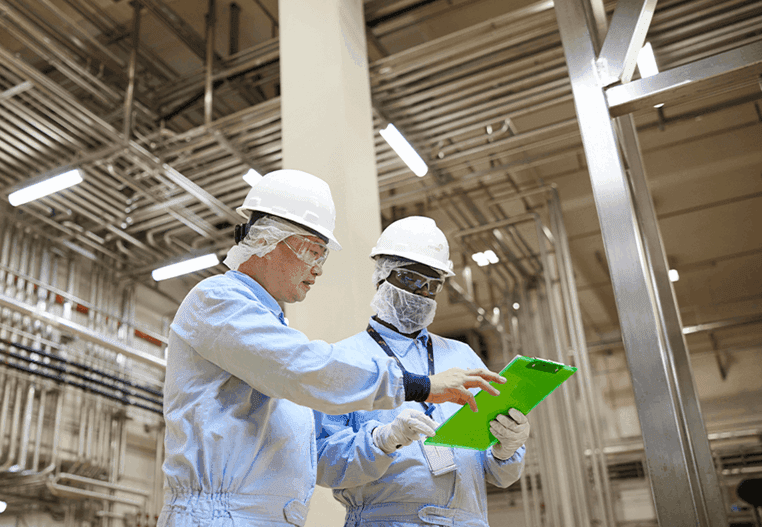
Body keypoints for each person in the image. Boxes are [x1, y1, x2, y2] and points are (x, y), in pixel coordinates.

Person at [158, 171, 507, 527]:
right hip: (223, 515)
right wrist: (420, 388)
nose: (318, 269)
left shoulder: (268, 323)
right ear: (266, 239)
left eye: (322, 256)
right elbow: (304, 369)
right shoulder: (218, 299)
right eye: (312, 252)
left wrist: (506, 446)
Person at [315, 216, 530, 527]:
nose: (422, 293)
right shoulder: (344, 359)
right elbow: (323, 461)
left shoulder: (462, 356)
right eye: (412, 279)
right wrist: (383, 440)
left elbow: (500, 475)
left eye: (433, 285)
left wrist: (505, 448)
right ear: (382, 276)